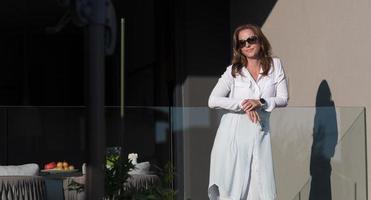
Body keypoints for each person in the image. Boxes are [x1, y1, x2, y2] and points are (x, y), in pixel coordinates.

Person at [207, 24, 288, 200]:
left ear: (260, 41)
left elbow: (283, 99)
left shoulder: (275, 65)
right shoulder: (233, 71)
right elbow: (212, 100)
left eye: (251, 39)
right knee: (231, 191)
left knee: (259, 188)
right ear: (238, 48)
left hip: (259, 133)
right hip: (232, 136)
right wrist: (244, 105)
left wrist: (259, 102)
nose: (247, 45)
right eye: (241, 43)